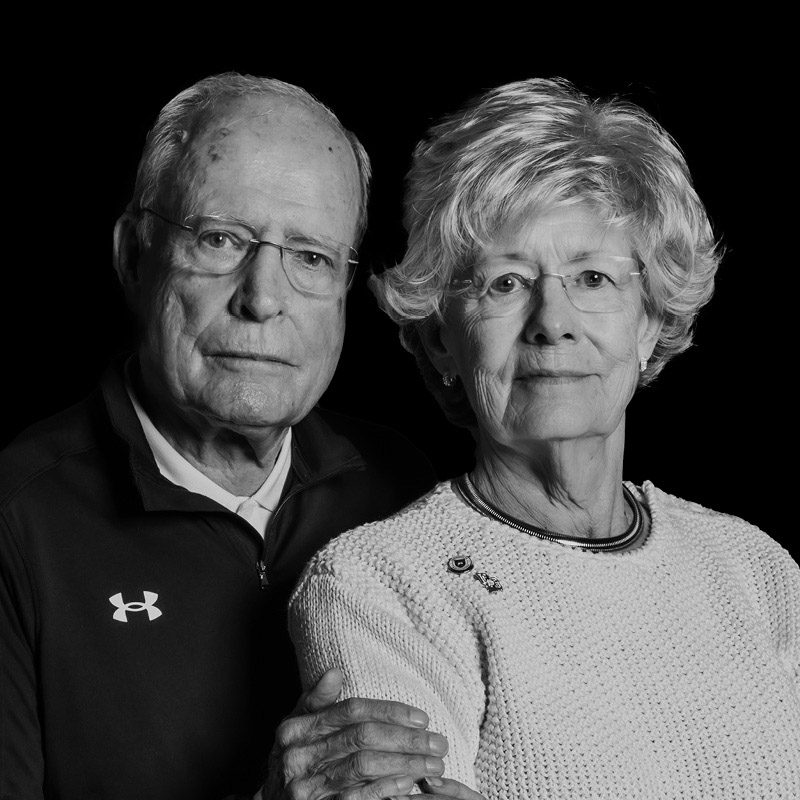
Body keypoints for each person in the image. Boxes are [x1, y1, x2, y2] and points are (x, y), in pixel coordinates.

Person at [288, 78, 800, 798]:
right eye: (504, 283)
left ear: (652, 318)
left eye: (592, 277)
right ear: (440, 340)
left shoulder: (758, 571)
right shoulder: (378, 587)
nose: (551, 320)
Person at [0, 72, 481, 800]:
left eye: (311, 257)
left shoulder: (401, 485)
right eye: (221, 239)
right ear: (134, 256)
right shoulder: (15, 518)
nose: (263, 298)